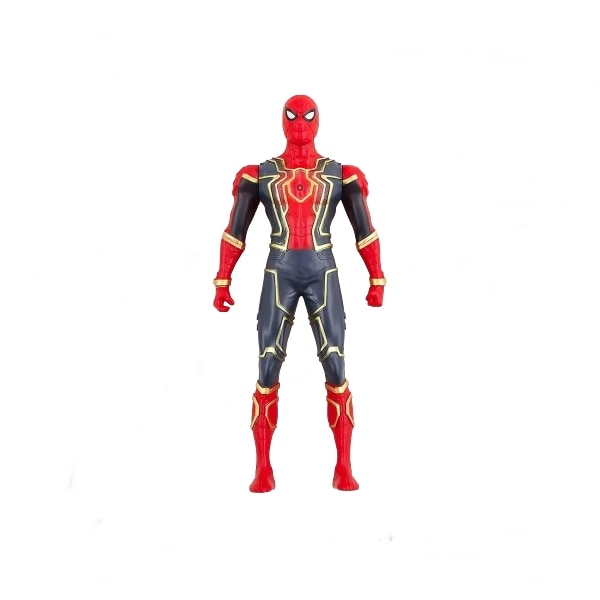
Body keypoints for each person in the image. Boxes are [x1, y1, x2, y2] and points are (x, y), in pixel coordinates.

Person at [212, 95, 386, 492]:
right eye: (292, 117)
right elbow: (235, 230)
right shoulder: (259, 175)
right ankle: (263, 469)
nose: (300, 125)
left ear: (319, 121)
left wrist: (377, 277)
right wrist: (223, 278)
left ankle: (344, 466)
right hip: (280, 273)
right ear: (282, 121)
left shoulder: (342, 175)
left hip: (323, 273)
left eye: (308, 117)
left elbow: (365, 230)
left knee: (335, 364)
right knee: (267, 366)